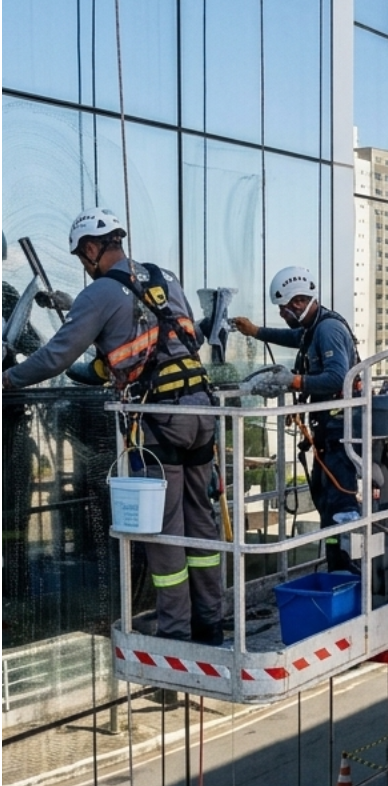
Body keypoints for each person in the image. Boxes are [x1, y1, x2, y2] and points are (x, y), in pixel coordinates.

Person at [1, 209, 225, 645]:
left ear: (91, 249)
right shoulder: (163, 278)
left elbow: (55, 358)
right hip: (201, 414)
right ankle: (210, 624)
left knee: (164, 533)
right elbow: (174, 340)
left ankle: (176, 636)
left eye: (83, 259)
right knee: (201, 522)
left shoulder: (99, 293)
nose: (86, 268)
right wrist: (92, 329)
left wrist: (6, 379)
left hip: (162, 424)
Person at [232, 265, 360, 571]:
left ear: (300, 302)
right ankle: (337, 570)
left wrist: (294, 382)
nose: (283, 315)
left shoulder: (328, 330)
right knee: (328, 504)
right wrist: (256, 332)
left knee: (340, 506)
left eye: (285, 308)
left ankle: (349, 574)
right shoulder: (314, 327)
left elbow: (336, 378)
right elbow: (294, 338)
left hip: (339, 432)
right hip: (329, 431)